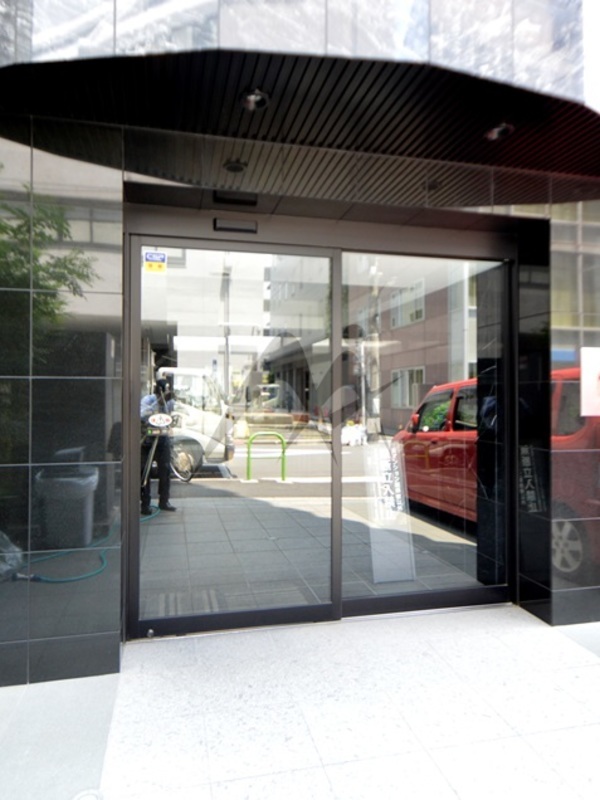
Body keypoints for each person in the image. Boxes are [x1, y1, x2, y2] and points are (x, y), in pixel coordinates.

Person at [140, 378, 176, 514]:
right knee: (145, 471)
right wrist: (158, 403)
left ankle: (164, 501)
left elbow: (168, 417)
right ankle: (145, 503)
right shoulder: (148, 400)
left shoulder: (169, 402)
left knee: (165, 469)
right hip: (147, 440)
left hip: (162, 438)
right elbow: (142, 415)